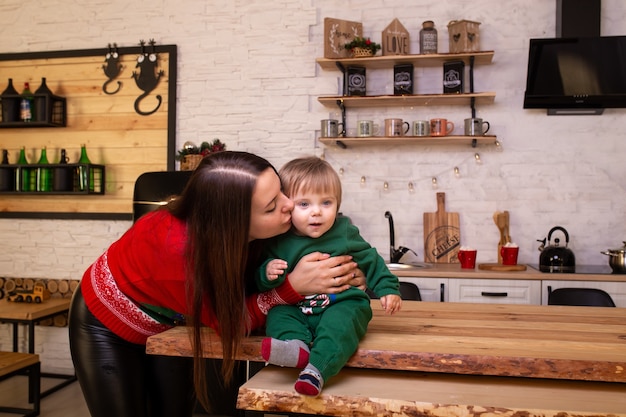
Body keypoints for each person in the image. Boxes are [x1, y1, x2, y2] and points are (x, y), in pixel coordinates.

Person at [68, 151, 365, 417]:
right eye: (272, 206)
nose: (289, 206)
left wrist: (345, 274)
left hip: (173, 319)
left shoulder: (252, 225)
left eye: (282, 192)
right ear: (234, 223)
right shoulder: (181, 256)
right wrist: (292, 289)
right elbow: (232, 320)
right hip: (107, 324)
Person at [257, 156, 402, 397]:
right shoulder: (278, 239)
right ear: (287, 205)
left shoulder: (343, 230)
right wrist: (267, 271)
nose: (316, 212)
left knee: (343, 323)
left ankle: (317, 369)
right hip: (296, 306)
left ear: (338, 204)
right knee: (279, 314)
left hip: (340, 302)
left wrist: (387, 288)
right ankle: (295, 348)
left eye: (326, 203)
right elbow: (259, 277)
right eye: (304, 204)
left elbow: (370, 258)